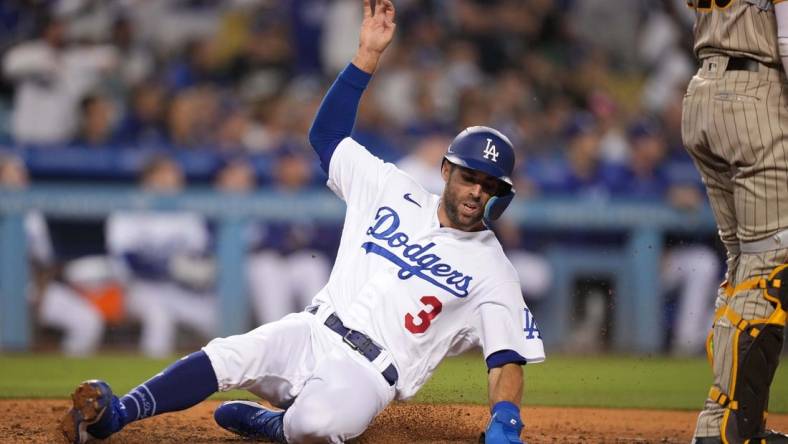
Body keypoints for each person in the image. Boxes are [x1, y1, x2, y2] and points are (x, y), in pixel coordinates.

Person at [58, 2, 544, 443]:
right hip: (310, 329)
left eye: (489, 184)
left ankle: (275, 425)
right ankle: (116, 415)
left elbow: (506, 359)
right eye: (469, 176)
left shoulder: (492, 268)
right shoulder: (390, 187)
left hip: (368, 375)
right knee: (228, 354)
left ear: (501, 193)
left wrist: (506, 420)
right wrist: (366, 58)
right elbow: (327, 135)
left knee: (317, 425)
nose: (476, 190)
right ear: (446, 171)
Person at [682, 1, 788, 442]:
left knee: (745, 265)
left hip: (704, 91)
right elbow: (784, 37)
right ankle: (724, 426)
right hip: (755, 94)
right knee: (771, 267)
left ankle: (741, 420)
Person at [105, 154, 217, 357]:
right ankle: (149, 383)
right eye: (167, 174)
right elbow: (128, 258)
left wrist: (196, 271)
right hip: (138, 289)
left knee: (214, 318)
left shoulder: (186, 210)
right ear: (149, 178)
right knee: (160, 318)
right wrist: (169, 267)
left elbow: (200, 252)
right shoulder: (128, 208)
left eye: (175, 174)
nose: (174, 179)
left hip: (176, 288)